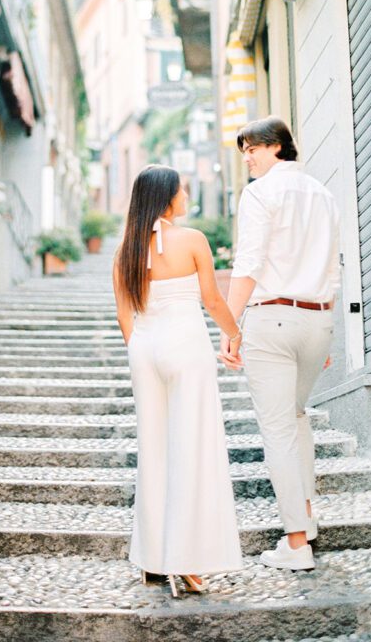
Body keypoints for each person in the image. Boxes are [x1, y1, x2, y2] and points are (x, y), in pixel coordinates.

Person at [113, 164, 244, 597]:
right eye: (181, 188)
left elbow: (124, 316)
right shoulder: (192, 241)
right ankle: (186, 560)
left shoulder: (125, 250)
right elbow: (211, 299)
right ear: (168, 197)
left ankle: (153, 560)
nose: (186, 194)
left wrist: (141, 346)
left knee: (154, 450)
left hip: (145, 348)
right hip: (185, 345)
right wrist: (234, 331)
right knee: (192, 449)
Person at [219, 117, 340, 572]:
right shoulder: (323, 194)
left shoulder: (260, 192)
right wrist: (325, 327)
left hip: (272, 318)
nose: (247, 158)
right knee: (295, 418)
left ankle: (295, 544)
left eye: (252, 148)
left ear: (276, 147)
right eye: (244, 150)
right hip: (317, 320)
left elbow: (248, 264)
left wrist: (230, 328)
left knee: (278, 430)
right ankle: (305, 522)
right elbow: (332, 269)